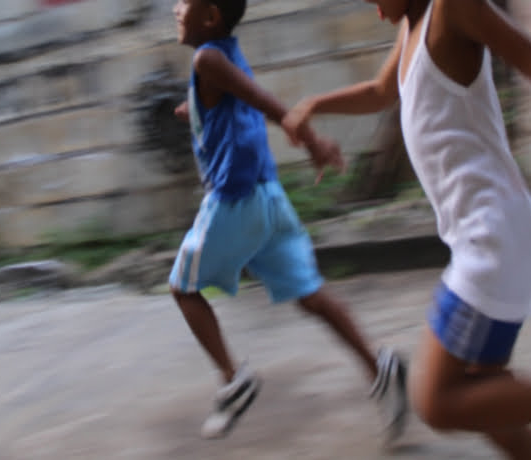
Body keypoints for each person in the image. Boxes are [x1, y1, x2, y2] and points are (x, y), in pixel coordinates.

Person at [281, 0, 531, 458]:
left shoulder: (452, 8)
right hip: (484, 235)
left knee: (436, 401)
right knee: (484, 400)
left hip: (491, 236)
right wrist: (313, 104)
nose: (373, 7)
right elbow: (380, 90)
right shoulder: (411, 25)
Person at [168, 0, 408, 441]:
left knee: (183, 288)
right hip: (268, 197)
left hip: (234, 200)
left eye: (185, 2)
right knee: (310, 295)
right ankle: (380, 368)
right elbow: (238, 102)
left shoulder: (208, 58)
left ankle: (232, 378)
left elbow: (265, 102)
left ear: (210, 17)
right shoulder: (222, 57)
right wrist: (194, 110)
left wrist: (311, 137)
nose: (175, 7)